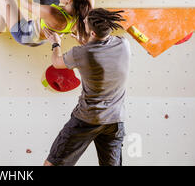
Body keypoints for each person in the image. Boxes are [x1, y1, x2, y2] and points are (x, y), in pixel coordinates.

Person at [42, 8, 130, 166]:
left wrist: (56, 42)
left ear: (93, 34)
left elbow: (57, 62)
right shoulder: (123, 44)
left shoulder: (80, 53)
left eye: (85, 23)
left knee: (53, 164)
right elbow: (100, 50)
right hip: (115, 120)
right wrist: (86, 42)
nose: (82, 22)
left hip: (87, 119)